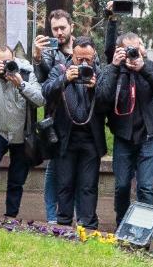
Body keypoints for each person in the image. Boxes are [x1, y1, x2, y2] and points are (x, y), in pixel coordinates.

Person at [99, 32, 153, 227]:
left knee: (146, 188)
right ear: (119, 50)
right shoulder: (113, 69)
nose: (131, 54)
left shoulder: (148, 66)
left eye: (135, 50)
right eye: (128, 50)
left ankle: (143, 229)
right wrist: (114, 67)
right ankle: (122, 223)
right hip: (123, 137)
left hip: (148, 136)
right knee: (122, 186)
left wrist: (143, 68)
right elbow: (103, 97)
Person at [0, 45, 45, 219]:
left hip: (21, 134)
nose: (5, 66)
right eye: (0, 63)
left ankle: (11, 214)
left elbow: (40, 100)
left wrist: (22, 84)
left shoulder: (25, 71)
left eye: (8, 61)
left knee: (17, 177)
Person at [42, 38, 106, 228]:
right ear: (73, 56)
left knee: (88, 185)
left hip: (90, 139)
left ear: (94, 56)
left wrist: (96, 88)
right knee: (65, 183)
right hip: (65, 137)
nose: (85, 64)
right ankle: (63, 224)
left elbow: (108, 103)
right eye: (80, 60)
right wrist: (65, 80)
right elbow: (45, 92)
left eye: (89, 59)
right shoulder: (60, 69)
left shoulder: (100, 74)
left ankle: (87, 224)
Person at [33, 9, 77, 224]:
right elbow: (44, 81)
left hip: (79, 117)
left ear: (71, 27)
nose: (59, 33)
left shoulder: (83, 47)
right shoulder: (50, 52)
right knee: (54, 168)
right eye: (55, 29)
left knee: (73, 170)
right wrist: (38, 57)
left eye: (62, 28)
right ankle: (52, 216)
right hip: (56, 116)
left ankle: (72, 215)